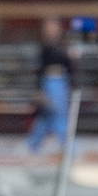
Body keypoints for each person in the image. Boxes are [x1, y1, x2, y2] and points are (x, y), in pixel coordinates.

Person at [26, 18, 75, 155]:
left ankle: (69, 148)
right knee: (48, 116)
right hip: (48, 83)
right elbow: (39, 69)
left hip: (60, 83)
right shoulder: (44, 47)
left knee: (56, 116)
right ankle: (33, 145)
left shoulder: (63, 46)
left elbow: (69, 68)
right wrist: (39, 90)